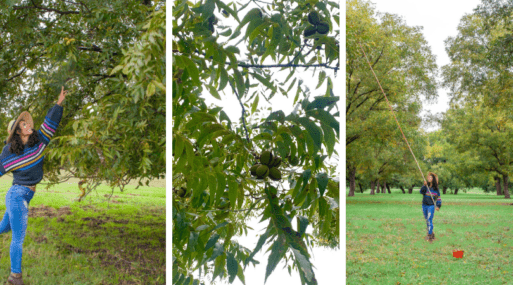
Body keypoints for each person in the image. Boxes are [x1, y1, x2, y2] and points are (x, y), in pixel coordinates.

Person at [0, 87, 67, 285]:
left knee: (4, 228)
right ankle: (15, 276)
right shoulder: (9, 153)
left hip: (24, 195)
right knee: (18, 238)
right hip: (17, 196)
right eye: (23, 124)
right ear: (17, 131)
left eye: (27, 122)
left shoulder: (39, 144)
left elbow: (49, 125)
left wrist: (58, 103)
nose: (28, 125)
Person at [420, 172, 442, 243]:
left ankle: (429, 235)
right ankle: (431, 233)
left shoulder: (436, 188)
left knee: (429, 219)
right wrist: (424, 185)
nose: (429, 178)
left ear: (433, 179)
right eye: (428, 177)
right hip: (424, 205)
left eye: (430, 177)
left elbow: (438, 198)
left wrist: (438, 206)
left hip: (431, 206)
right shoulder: (426, 186)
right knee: (427, 220)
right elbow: (421, 192)